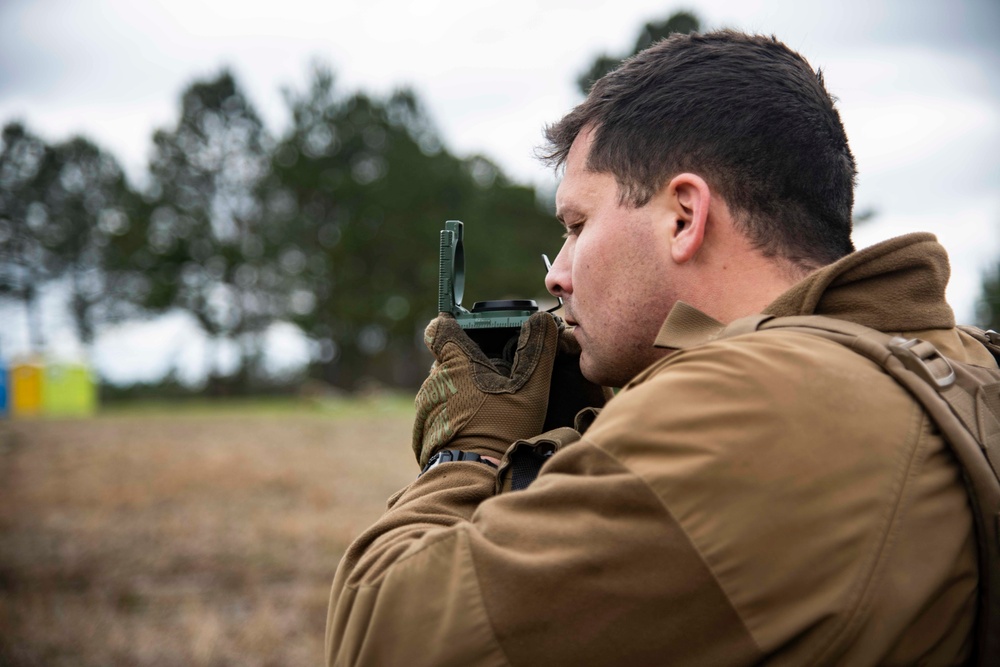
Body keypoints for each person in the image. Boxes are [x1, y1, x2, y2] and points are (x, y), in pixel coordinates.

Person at [326, 30, 994, 665]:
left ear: (683, 216)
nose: (557, 274)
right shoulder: (954, 358)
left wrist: (470, 448)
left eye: (577, 224)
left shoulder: (750, 405)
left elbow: (383, 634)